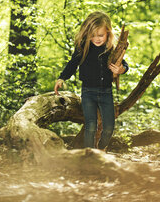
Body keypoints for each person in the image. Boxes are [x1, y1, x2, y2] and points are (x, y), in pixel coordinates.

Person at [54, 11, 129, 149]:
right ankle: (88, 155)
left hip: (106, 92)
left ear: (108, 32)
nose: (97, 39)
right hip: (88, 92)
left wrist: (121, 70)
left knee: (109, 127)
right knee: (91, 126)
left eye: (100, 35)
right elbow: (72, 64)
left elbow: (124, 64)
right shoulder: (83, 47)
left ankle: (100, 150)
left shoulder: (110, 48)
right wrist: (62, 78)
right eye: (92, 35)